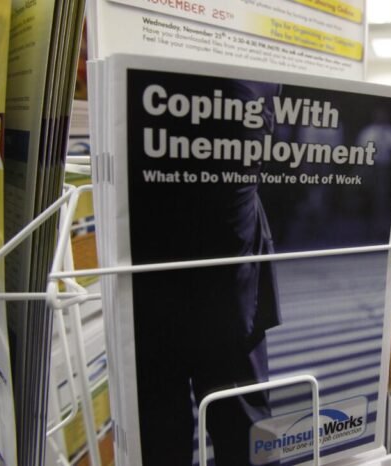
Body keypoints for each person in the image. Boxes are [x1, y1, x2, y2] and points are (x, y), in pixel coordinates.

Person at [129, 78, 282, 465]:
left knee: (167, 423)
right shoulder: (248, 81)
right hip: (222, 274)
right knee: (236, 421)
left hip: (166, 269)